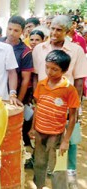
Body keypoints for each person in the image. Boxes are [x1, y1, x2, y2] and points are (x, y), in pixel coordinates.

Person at [32, 15, 87, 188]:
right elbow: (35, 76)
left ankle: (67, 182)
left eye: (59, 30)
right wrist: (36, 103)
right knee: (41, 155)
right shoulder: (39, 49)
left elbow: (79, 80)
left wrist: (75, 110)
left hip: (65, 106)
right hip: (44, 107)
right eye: (52, 28)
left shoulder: (76, 51)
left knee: (66, 148)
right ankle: (40, 183)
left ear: (68, 31)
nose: (54, 33)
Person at [29, 50, 80, 189]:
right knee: (39, 163)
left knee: (57, 166)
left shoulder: (69, 89)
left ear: (64, 70)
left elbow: (73, 116)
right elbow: (37, 107)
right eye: (47, 67)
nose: (49, 72)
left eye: (54, 69)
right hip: (39, 132)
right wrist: (33, 128)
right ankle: (39, 185)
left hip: (56, 135)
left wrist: (65, 140)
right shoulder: (41, 84)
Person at [0, 15, 33, 145]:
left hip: (13, 95)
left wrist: (18, 99)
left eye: (16, 30)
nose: (12, 33)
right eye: (9, 29)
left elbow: (25, 79)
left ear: (22, 32)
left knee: (10, 131)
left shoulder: (25, 52)